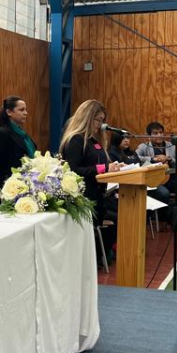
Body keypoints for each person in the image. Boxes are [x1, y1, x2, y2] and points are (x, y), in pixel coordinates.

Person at [59, 99, 124, 263]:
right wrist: (105, 168)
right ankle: (98, 258)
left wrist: (113, 167)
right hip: (84, 197)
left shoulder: (94, 141)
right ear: (87, 117)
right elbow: (73, 169)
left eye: (102, 120)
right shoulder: (76, 140)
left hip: (98, 196)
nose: (100, 125)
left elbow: (98, 164)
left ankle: (101, 256)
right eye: (98, 120)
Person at [136, 122, 177, 220]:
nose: (159, 135)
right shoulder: (143, 146)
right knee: (164, 194)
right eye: (155, 133)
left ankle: (173, 215)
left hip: (172, 180)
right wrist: (152, 159)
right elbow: (135, 158)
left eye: (161, 132)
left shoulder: (171, 146)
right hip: (155, 181)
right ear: (148, 135)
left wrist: (169, 158)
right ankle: (164, 217)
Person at [0, 96, 37, 192]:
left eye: (25, 110)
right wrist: (2, 188)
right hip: (9, 188)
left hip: (27, 186)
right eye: (21, 110)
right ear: (9, 112)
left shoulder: (22, 134)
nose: (25, 113)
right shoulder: (2, 134)